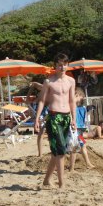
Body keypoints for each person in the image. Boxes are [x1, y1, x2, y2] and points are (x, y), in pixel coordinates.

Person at [33, 53, 76, 188]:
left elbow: (72, 101)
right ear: (55, 66)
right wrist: (37, 119)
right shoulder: (49, 82)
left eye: (64, 65)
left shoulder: (71, 81)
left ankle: (46, 180)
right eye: (59, 65)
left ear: (67, 65)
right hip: (53, 117)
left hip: (66, 117)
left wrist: (74, 119)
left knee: (56, 152)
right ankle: (62, 183)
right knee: (61, 151)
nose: (62, 67)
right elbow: (42, 101)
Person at [70, 88, 95, 171]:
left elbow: (88, 109)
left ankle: (88, 163)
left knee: (83, 145)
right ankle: (72, 168)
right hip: (75, 130)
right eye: (81, 97)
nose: (82, 99)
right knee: (75, 148)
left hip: (80, 130)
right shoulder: (72, 107)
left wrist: (90, 107)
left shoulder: (82, 108)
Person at [28, 81, 48, 157]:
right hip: (41, 111)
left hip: (44, 111)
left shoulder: (48, 91)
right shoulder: (43, 89)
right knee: (41, 133)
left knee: (42, 133)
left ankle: (41, 154)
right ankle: (40, 154)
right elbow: (35, 84)